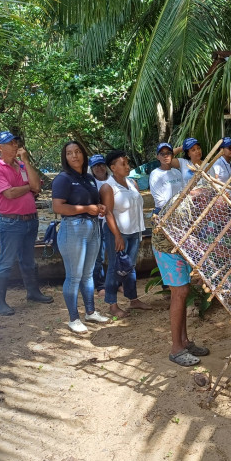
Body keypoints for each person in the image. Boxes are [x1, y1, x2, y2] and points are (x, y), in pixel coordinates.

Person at [0, 130, 53, 315]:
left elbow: (37, 187)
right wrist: (28, 188)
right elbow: (8, 193)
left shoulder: (22, 166)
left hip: (30, 220)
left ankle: (33, 292)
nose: (15, 145)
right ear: (0, 148)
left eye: (16, 142)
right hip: (11, 222)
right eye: (10, 143)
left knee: (28, 260)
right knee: (6, 261)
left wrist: (26, 162)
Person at [52, 141, 110, 333]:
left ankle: (90, 312)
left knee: (88, 274)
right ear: (65, 157)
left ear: (83, 154)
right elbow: (58, 207)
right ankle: (73, 318)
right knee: (74, 276)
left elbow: (93, 201)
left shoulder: (88, 178)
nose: (74, 156)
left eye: (77, 152)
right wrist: (87, 209)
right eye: (69, 153)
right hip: (73, 229)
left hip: (92, 227)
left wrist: (99, 208)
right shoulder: (63, 179)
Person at [151, 178, 210, 367]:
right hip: (167, 249)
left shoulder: (191, 203)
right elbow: (179, 237)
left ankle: (184, 342)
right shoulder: (182, 206)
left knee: (184, 292)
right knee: (180, 292)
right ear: (200, 196)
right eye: (208, 202)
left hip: (177, 249)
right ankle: (176, 349)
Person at [99, 150, 151, 318]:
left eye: (128, 163)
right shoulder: (108, 187)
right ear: (113, 167)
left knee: (130, 266)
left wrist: (139, 231)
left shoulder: (132, 183)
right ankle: (112, 304)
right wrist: (117, 235)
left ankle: (133, 299)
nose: (128, 167)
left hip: (134, 231)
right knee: (115, 267)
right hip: (118, 232)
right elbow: (108, 213)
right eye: (123, 164)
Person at [89, 154, 110, 297]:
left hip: (115, 221)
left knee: (117, 254)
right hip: (98, 223)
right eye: (96, 166)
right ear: (91, 168)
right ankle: (100, 285)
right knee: (99, 256)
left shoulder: (113, 180)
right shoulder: (90, 183)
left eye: (101, 164)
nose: (99, 168)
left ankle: (118, 283)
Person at [150, 142, 184, 214]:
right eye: (162, 154)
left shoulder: (177, 172)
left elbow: (183, 191)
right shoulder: (155, 174)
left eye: (168, 153)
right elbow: (159, 200)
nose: (165, 156)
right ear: (158, 157)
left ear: (172, 155)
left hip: (179, 211)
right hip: (163, 212)